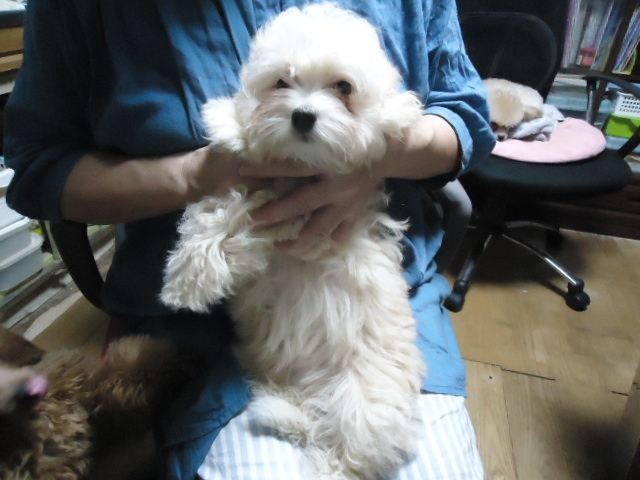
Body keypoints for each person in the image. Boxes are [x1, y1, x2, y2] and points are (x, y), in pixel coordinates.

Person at [4, 1, 496, 479]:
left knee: (378, 438)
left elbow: (465, 114)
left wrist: (375, 157)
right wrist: (193, 176)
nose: (305, 106)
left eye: (341, 88)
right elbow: (38, 168)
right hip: (206, 332)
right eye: (283, 84)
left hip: (373, 321)